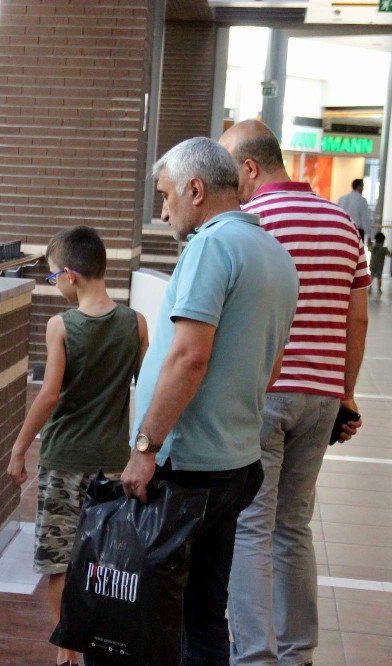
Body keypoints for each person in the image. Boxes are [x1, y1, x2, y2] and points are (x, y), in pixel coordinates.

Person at [120, 137, 299, 663]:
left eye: (166, 195)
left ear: (195, 189)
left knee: (167, 612)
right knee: (203, 611)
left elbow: (188, 357)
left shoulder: (210, 246)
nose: (164, 208)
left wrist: (145, 446)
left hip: (191, 466)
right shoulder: (276, 256)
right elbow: (273, 368)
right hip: (237, 460)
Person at [220, 119, 370, 666]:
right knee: (293, 527)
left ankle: (255, 655)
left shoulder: (249, 222)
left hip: (262, 394)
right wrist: (346, 393)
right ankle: (298, 652)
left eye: (228, 169)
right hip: (322, 396)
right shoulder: (340, 223)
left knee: (252, 526)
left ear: (250, 168)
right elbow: (357, 318)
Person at [6, 225, 148, 666]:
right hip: (112, 464)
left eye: (52, 278)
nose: (55, 287)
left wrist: (17, 448)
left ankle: (68, 649)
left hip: (64, 460)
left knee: (60, 557)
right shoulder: (135, 323)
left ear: (71, 275)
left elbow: (48, 395)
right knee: (107, 560)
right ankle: (104, 641)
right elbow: (144, 388)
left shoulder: (61, 326)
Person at [337, 178, 372, 243]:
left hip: (342, 230)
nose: (363, 188)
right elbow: (365, 218)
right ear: (358, 186)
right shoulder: (362, 200)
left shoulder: (341, 199)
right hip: (356, 231)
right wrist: (369, 235)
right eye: (362, 186)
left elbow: (337, 215)